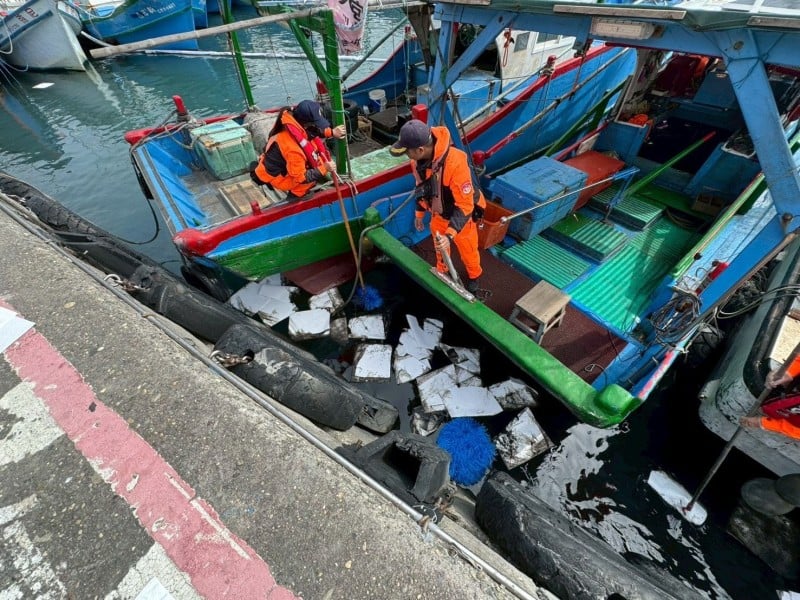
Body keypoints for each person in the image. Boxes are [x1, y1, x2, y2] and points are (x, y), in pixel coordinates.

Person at [390, 119, 487, 293]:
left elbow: (465, 205)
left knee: (468, 251)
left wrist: (449, 235)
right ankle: (443, 271)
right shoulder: (416, 162)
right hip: (439, 215)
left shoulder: (455, 163)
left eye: (408, 152)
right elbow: (421, 188)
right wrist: (419, 214)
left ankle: (474, 276)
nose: (407, 157)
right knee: (439, 248)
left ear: (420, 150)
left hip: (461, 218)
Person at [251, 99, 346, 200]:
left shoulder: (292, 122)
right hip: (281, 178)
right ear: (306, 124)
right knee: (307, 182)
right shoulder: (293, 150)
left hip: (275, 163)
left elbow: (313, 131)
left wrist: (332, 132)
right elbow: (300, 178)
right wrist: (324, 168)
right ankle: (296, 196)